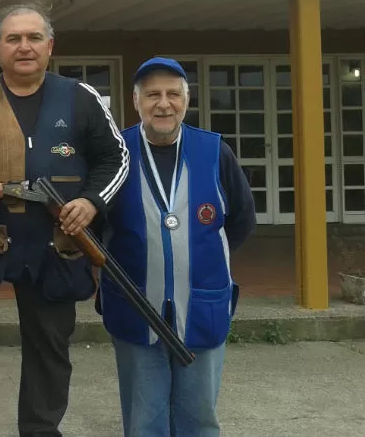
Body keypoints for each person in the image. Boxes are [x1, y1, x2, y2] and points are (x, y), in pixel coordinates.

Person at [0, 4, 130, 437]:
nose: (24, 46)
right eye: (13, 39)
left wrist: (91, 203)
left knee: (49, 344)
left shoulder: (81, 98)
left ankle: (39, 429)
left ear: (50, 46)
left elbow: (116, 158)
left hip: (57, 240)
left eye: (34, 37)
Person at [100, 57, 257, 437]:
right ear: (136, 101)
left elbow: (241, 220)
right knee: (143, 422)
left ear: (187, 100)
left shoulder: (215, 151)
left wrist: (197, 259)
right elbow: (94, 222)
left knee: (199, 420)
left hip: (201, 306)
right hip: (136, 305)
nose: (163, 103)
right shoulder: (114, 152)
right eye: (152, 94)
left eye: (173, 94)